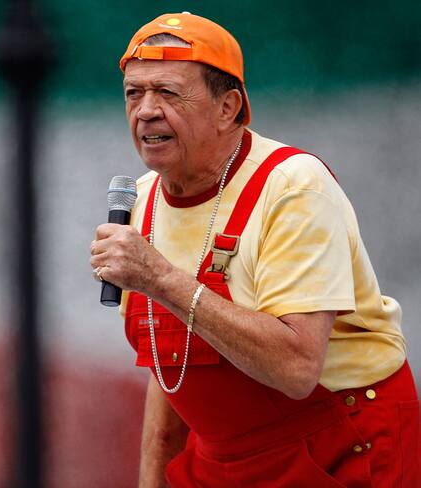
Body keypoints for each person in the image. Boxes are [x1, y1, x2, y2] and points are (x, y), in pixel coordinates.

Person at [89, 12, 419, 487]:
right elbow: (170, 367)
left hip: (340, 448)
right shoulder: (140, 203)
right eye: (133, 93)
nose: (145, 111)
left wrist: (160, 279)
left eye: (168, 93)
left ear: (228, 107)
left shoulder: (292, 187)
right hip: (224, 461)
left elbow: (296, 368)